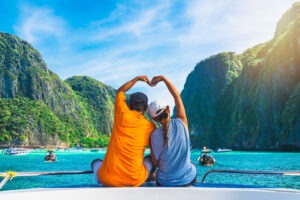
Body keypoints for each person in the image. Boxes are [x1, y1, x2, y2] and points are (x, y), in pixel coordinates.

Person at [91, 76, 156, 187]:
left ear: (129, 105)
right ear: (145, 108)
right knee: (149, 159)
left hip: (108, 180)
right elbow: (155, 154)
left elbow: (121, 91)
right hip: (134, 180)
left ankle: (100, 176)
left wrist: (137, 79)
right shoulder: (150, 126)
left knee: (95, 162)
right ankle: (151, 175)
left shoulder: (122, 113)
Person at [148, 75, 197, 186]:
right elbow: (176, 97)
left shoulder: (154, 136)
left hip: (165, 182)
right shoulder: (181, 123)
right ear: (168, 109)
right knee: (191, 165)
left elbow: (155, 163)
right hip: (187, 179)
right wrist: (163, 79)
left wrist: (151, 145)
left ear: (154, 119)